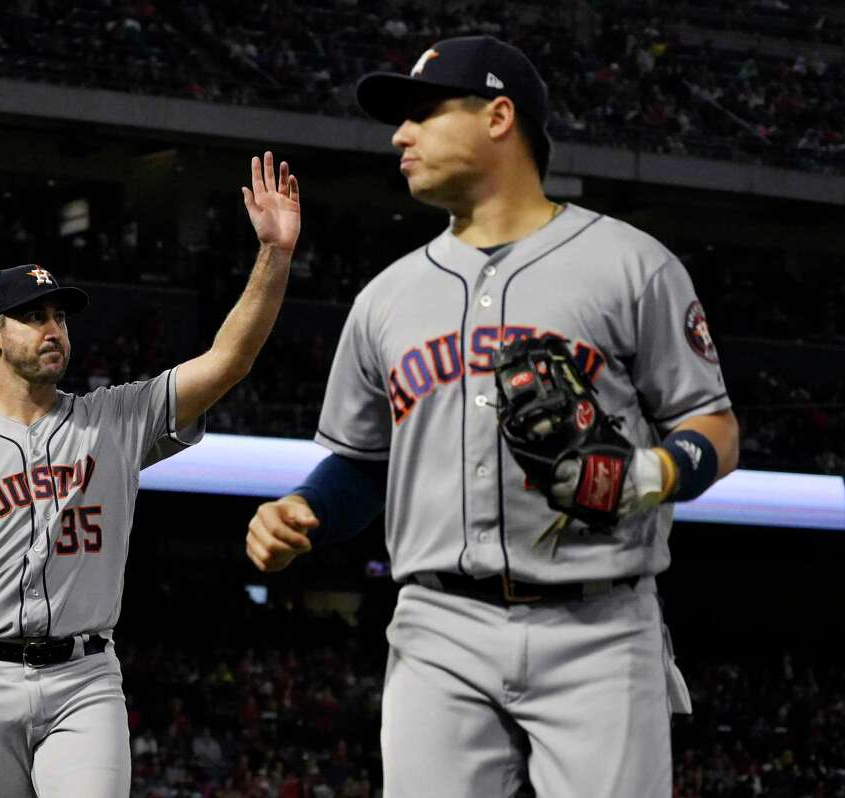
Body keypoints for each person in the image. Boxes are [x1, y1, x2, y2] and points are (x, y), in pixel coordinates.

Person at [244, 36, 740, 797]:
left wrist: (652, 472)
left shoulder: (632, 264)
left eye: (422, 113)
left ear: (499, 115)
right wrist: (302, 507)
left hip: (599, 627)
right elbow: (363, 465)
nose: (399, 136)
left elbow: (715, 428)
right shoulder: (384, 298)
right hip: (437, 628)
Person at [0, 151, 301, 797]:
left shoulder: (113, 420)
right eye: (33, 316)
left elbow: (229, 360)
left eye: (59, 316)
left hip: (84, 679)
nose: (52, 328)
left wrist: (274, 256)